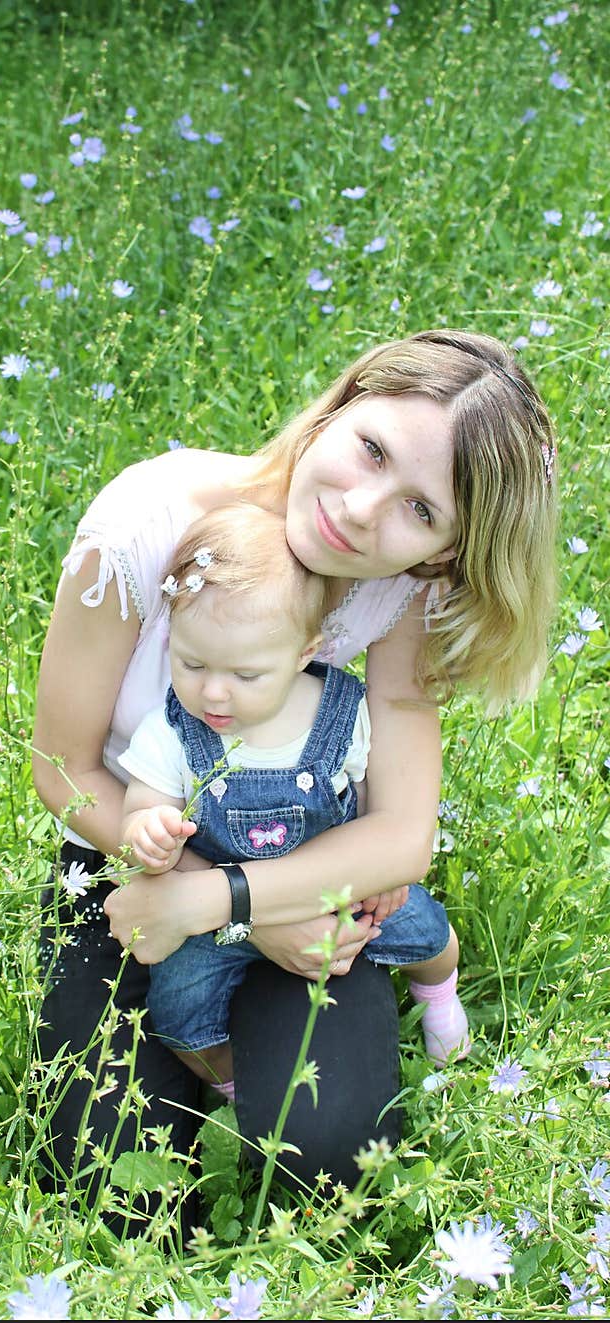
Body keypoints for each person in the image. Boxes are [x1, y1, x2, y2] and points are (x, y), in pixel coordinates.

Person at [32, 329, 557, 1204]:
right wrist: (203, 892)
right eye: (372, 450)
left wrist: (233, 904)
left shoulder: (405, 591)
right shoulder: (147, 523)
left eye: (420, 509)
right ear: (342, 404)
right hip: (134, 852)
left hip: (312, 872)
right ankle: (197, 1064)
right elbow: (64, 768)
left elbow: (399, 835)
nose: (360, 510)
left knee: (334, 1163)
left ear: (442, 553)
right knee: (111, 1174)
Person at [118, 501, 469, 1103]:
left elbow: (368, 802)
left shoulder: (338, 714)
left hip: (338, 895)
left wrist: (380, 874)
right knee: (175, 1007)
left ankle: (439, 997)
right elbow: (137, 810)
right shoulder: (171, 731)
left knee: (427, 930)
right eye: (191, 663)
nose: (213, 690)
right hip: (215, 916)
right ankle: (228, 1081)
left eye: (247, 675)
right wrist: (146, 830)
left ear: (306, 652)